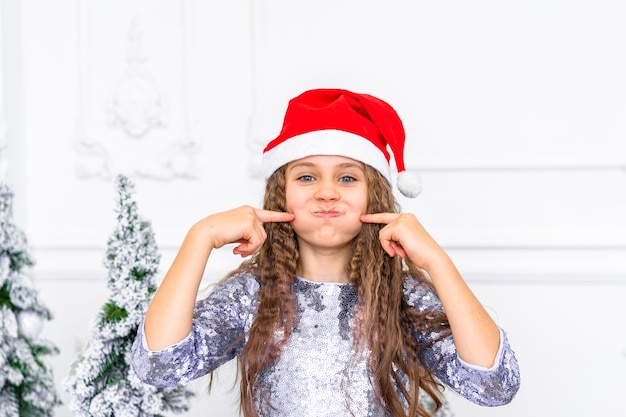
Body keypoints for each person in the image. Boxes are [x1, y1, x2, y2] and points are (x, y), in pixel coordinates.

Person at [131, 88, 521, 417]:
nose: (327, 191)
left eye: (347, 177)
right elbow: (160, 365)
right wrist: (200, 237)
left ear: (376, 193)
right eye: (306, 176)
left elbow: (493, 385)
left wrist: (437, 261)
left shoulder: (401, 297)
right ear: (280, 193)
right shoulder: (253, 294)